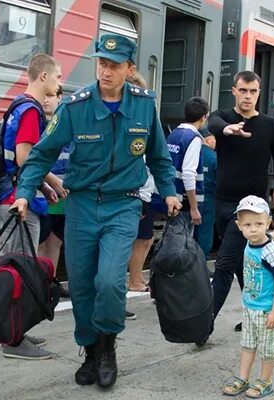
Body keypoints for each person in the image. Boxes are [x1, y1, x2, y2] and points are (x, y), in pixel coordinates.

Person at [10, 34, 181, 389]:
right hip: (83, 205)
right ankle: (89, 351)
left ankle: (107, 349)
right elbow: (40, 154)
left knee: (109, 282)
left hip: (123, 204)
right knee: (84, 285)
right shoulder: (76, 107)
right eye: (101, 63)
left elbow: (160, 157)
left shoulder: (144, 107)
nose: (105, 70)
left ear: (129, 69)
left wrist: (169, 192)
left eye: (114, 65)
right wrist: (25, 193)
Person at [207, 71, 274, 332]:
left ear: (259, 93)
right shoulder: (224, 119)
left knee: (224, 264)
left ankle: (204, 324)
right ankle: (255, 314)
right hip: (222, 202)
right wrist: (227, 129)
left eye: (253, 91)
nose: (248, 96)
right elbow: (213, 122)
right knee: (242, 266)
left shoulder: (270, 126)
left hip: (249, 209)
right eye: (243, 90)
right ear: (234, 90)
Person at [0, 53, 63, 361]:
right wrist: (54, 179)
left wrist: (43, 186)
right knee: (18, 271)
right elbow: (25, 158)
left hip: (12, 196)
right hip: (17, 204)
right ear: (44, 77)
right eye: (58, 77)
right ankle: (14, 340)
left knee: (16, 267)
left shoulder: (17, 104)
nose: (59, 82)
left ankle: (14, 328)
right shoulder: (32, 111)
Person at [221, 196, 274, 398]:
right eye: (248, 225)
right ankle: (243, 378)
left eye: (259, 224)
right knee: (247, 345)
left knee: (267, 349)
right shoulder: (249, 245)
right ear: (239, 226)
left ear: (268, 223)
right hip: (249, 307)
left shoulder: (270, 251)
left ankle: (265, 381)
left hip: (266, 310)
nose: (253, 229)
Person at [124, 71, 153, 322]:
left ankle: (136, 279)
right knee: (135, 241)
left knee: (142, 240)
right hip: (133, 196)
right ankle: (133, 281)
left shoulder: (141, 123)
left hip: (140, 194)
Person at [37, 86, 70, 299]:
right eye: (44, 96)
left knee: (56, 240)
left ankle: (50, 281)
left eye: (51, 97)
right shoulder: (38, 123)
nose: (46, 101)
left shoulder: (66, 125)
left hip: (65, 191)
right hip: (45, 190)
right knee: (41, 238)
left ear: (60, 98)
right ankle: (38, 282)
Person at [167, 97, 210, 225]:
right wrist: (194, 207)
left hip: (171, 197)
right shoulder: (194, 138)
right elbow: (188, 174)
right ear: (203, 117)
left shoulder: (174, 134)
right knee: (180, 243)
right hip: (183, 203)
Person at [196, 130, 217, 259]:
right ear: (208, 140)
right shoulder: (213, 157)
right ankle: (202, 262)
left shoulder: (192, 153)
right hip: (209, 198)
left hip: (191, 197)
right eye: (214, 139)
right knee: (205, 231)